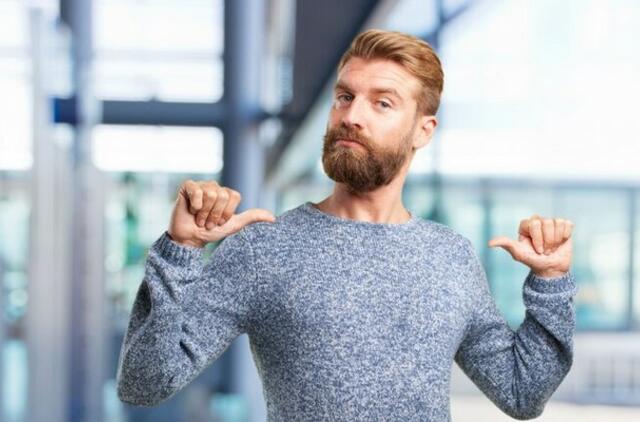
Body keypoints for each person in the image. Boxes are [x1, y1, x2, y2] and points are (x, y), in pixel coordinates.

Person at [116, 29, 577, 421]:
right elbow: (144, 383)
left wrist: (551, 282)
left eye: (382, 103)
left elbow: (521, 393)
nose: (352, 116)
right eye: (344, 97)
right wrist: (180, 249)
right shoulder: (263, 249)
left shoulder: (450, 256)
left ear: (423, 130)